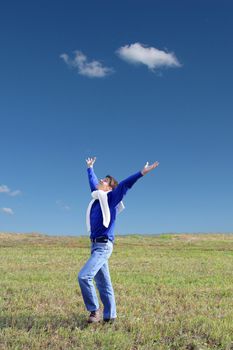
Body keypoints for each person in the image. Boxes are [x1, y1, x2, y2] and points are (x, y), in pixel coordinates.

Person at [78, 157, 159, 323]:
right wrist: (90, 168)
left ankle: (95, 311)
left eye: (105, 180)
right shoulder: (97, 197)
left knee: (84, 276)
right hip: (94, 246)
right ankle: (110, 316)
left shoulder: (110, 198)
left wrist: (141, 172)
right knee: (103, 284)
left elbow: (125, 184)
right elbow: (93, 183)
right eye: (102, 179)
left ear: (110, 188)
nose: (101, 180)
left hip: (104, 246)